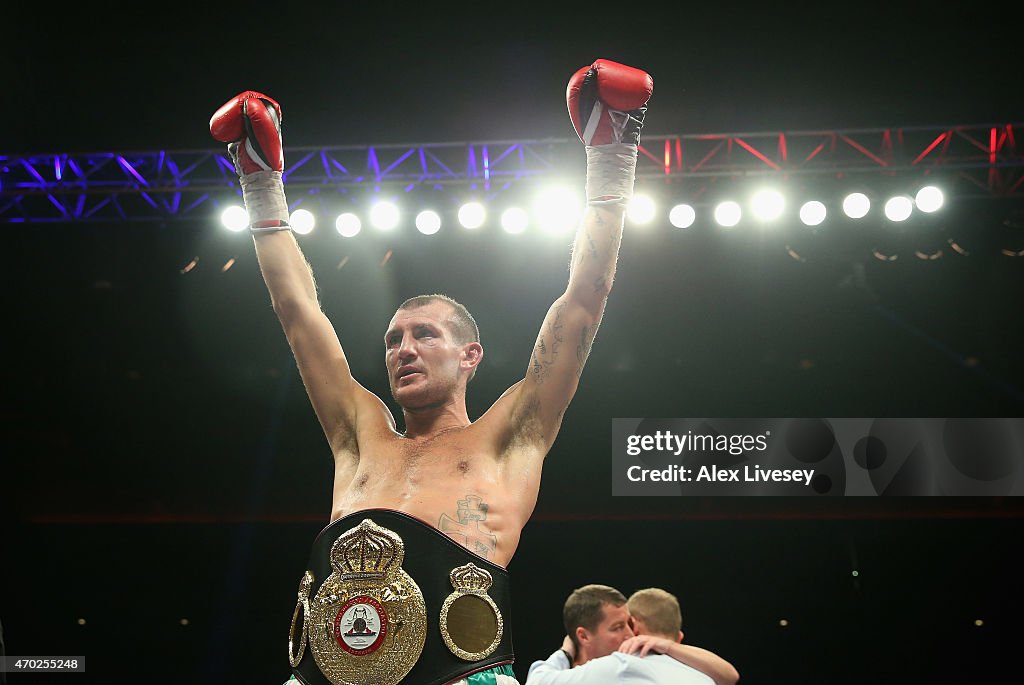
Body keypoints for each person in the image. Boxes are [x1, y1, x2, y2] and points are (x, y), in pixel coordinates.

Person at [209, 59, 653, 685]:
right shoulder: (360, 436)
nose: (403, 350)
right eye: (393, 340)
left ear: (471, 355)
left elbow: (582, 301)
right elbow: (297, 313)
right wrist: (259, 181)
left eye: (425, 335)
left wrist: (612, 154)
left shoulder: (509, 435)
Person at [526, 585, 739, 685]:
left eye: (628, 625)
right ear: (583, 636)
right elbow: (730, 676)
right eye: (619, 627)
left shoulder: (622, 665)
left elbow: (537, 682)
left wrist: (565, 653)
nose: (629, 635)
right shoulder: (695, 670)